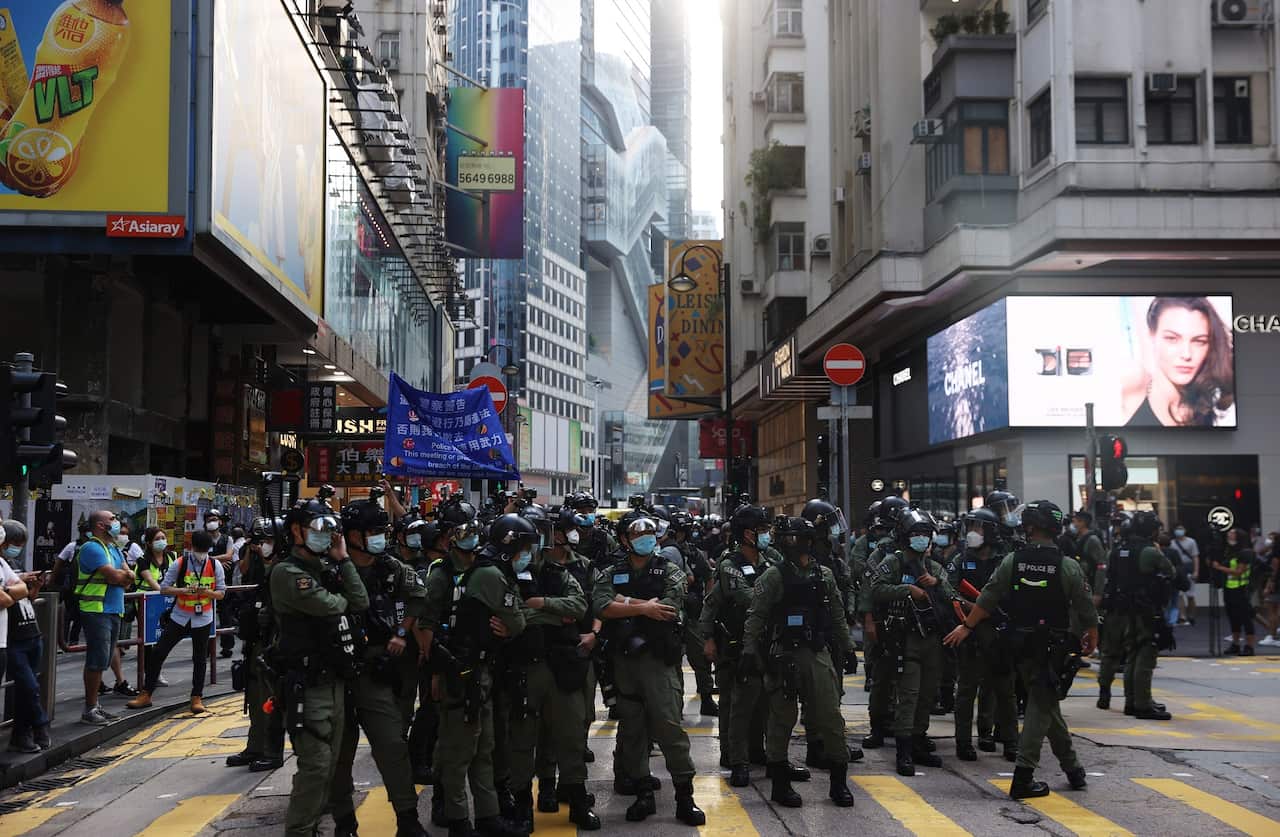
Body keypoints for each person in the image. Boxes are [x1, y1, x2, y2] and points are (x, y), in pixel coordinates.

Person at [944, 500, 1098, 800]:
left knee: (1046, 704)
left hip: (1017, 645)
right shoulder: (1067, 566)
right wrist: (1092, 634)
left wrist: (967, 626)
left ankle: (1073, 768)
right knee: (1041, 705)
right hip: (1052, 647)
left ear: (1029, 527)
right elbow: (1085, 607)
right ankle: (1024, 776)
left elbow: (987, 598)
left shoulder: (1012, 561)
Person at [421, 502, 528, 837]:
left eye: (471, 529)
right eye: (459, 531)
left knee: (484, 749)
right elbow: (425, 626)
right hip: (456, 672)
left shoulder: (483, 570)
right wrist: (438, 671)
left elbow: (513, 621)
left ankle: (487, 817)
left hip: (482, 671)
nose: (468, 536)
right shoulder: (441, 574)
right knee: (456, 752)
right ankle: (456, 819)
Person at [327, 495, 430, 837]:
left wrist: (402, 632)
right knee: (338, 755)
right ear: (351, 534)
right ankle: (344, 822)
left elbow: (418, 596)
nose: (379, 537)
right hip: (335, 672)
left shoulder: (390, 566)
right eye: (372, 531)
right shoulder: (329, 569)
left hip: (375, 669)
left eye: (382, 530)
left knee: (392, 746)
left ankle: (408, 819)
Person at [593, 514, 705, 826]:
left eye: (651, 533)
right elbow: (601, 605)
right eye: (639, 533)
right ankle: (644, 792)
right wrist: (643, 607)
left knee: (669, 728)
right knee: (632, 731)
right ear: (625, 540)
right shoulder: (611, 572)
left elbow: (668, 608)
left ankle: (685, 796)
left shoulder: (669, 569)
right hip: (625, 662)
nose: (647, 537)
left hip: (658, 662)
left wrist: (623, 603)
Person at [272, 492, 368, 837]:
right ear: (296, 531)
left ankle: (340, 824)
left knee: (336, 766)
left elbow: (359, 602)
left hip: (336, 681)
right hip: (308, 684)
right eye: (317, 527)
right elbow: (333, 606)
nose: (325, 534)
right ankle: (300, 830)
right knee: (316, 766)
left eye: (330, 528)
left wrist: (342, 562)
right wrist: (338, 590)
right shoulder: (287, 573)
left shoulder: (325, 568)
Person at [742, 516, 854, 809]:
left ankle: (839, 781)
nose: (794, 544)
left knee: (830, 716)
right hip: (783, 656)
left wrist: (848, 647)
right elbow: (756, 617)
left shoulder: (824, 575)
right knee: (781, 720)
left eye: (799, 538)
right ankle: (780, 783)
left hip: (816, 652)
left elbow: (838, 614)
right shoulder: (773, 576)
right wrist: (749, 652)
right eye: (788, 538)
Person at [502, 511, 601, 831]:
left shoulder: (559, 574)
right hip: (525, 667)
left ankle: (576, 799)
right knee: (521, 739)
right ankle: (522, 805)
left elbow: (578, 606)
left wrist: (542, 604)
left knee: (571, 735)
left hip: (562, 666)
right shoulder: (506, 574)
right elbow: (510, 616)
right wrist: (553, 614)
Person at [872, 507, 958, 776]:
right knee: (908, 694)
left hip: (932, 639)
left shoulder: (935, 567)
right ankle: (904, 749)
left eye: (926, 534)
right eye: (917, 534)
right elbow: (875, 589)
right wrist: (907, 590)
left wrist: (935, 585)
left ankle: (919, 741)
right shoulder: (893, 563)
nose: (922, 539)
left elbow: (953, 598)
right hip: (905, 638)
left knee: (927, 694)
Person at [700, 504, 779, 784]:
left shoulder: (771, 558)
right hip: (733, 642)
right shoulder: (729, 565)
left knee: (764, 703)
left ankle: (757, 752)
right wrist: (708, 639)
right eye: (761, 530)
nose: (767, 535)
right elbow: (746, 598)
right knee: (737, 705)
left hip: (764, 641)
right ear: (746, 534)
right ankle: (735, 758)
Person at [126, 529, 227, 713]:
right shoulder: (181, 563)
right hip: (180, 616)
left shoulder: (215, 565)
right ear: (191, 547)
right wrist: (183, 591)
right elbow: (164, 589)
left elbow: (221, 593)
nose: (202, 553)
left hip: (203, 618)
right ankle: (146, 693)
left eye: (205, 549)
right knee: (158, 652)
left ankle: (197, 697)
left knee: (200, 658)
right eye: (200, 549)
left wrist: (206, 593)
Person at [948, 508, 1019, 762]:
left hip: (999, 631)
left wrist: (991, 610)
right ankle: (964, 742)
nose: (972, 532)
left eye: (978, 527)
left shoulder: (1006, 559)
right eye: (971, 527)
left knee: (1004, 689)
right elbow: (950, 590)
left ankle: (1010, 741)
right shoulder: (960, 558)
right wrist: (972, 608)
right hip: (971, 629)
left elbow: (1013, 594)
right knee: (966, 689)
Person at [1097, 511, 1175, 719]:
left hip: (1118, 609)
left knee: (1122, 653)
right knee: (1145, 654)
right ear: (1150, 530)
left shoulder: (1118, 549)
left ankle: (1130, 700)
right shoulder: (1150, 551)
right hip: (1142, 611)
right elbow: (1171, 572)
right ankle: (1141, 703)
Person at [226, 517, 286, 773]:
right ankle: (255, 746)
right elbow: (243, 579)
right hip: (255, 639)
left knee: (271, 698)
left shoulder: (284, 569)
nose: (263, 546)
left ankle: (272, 751)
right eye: (259, 541)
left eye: (268, 541)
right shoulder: (258, 564)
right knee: (253, 695)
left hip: (274, 641)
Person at [1122, 296, 1235, 427]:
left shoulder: (1203, 401)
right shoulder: (1133, 386)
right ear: (1151, 336)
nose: (1186, 354)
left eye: (1199, 341)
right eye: (1172, 339)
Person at [854, 496, 909, 748]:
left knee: (909, 679)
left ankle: (906, 727)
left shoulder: (915, 548)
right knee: (882, 677)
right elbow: (868, 585)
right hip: (884, 618)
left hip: (910, 621)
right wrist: (869, 620)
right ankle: (878, 726)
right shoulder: (882, 551)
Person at [75, 510, 138, 725]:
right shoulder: (92, 547)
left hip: (112, 609)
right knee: (97, 660)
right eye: (112, 519)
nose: (117, 523)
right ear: (100, 526)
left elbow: (129, 577)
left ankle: (95, 707)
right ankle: (89, 708)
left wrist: (125, 576)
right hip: (96, 609)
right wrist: (123, 576)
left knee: (105, 658)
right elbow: (115, 576)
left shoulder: (113, 548)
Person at [0, 522, 37, 751]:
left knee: (29, 686)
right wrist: (11, 591)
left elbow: (22, 591)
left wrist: (10, 591)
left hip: (10, 638)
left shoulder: (3, 563)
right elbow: (4, 600)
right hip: (11, 638)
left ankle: (25, 733)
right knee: (27, 685)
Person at [1213, 527, 1257, 656]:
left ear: (1239, 536)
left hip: (1241, 589)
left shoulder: (1246, 552)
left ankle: (1249, 646)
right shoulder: (1229, 551)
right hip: (1229, 588)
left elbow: (1239, 572)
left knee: (1245, 617)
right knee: (1233, 617)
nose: (1229, 535)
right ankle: (1236, 644)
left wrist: (1220, 567)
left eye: (1232, 533)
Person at [204, 509, 238, 658]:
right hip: (207, 582)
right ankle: (205, 648)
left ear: (220, 521)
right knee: (205, 616)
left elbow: (229, 555)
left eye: (214, 519)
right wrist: (218, 562)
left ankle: (227, 647)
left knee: (226, 615)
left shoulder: (227, 539)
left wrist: (212, 560)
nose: (212, 522)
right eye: (209, 520)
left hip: (225, 582)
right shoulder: (203, 538)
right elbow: (201, 557)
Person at [1169, 523, 1200, 624]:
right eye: (1177, 529)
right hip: (1178, 568)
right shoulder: (1172, 542)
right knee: (1180, 594)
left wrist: (1196, 571)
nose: (1179, 530)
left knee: (1190, 595)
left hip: (1189, 567)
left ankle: (1191, 615)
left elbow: (1195, 557)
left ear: (1185, 530)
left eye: (1181, 529)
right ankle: (1182, 616)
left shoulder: (1191, 541)